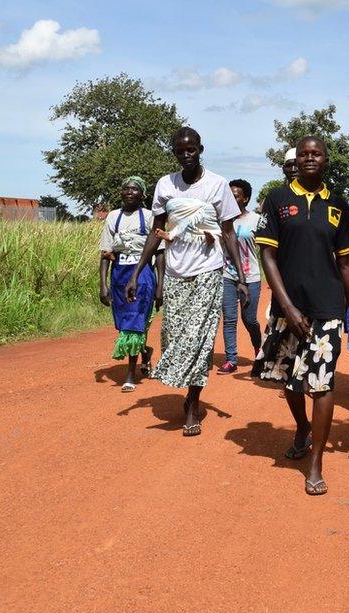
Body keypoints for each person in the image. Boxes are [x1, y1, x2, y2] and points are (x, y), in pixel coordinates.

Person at [125, 126, 250, 437]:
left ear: (200, 149)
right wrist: (138, 271)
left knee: (200, 336)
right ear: (175, 153)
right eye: (180, 151)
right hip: (175, 272)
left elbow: (229, 233)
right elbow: (157, 232)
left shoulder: (217, 184)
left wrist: (242, 277)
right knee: (173, 336)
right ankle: (185, 391)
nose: (186, 155)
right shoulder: (166, 185)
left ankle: (193, 403)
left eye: (191, 149)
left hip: (209, 269)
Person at [253, 135, 349, 496]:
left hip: (328, 307)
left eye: (316, 154)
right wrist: (287, 306)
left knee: (322, 382)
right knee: (288, 377)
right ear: (295, 161)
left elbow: (346, 261)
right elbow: (268, 256)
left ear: (326, 160)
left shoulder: (338, 204)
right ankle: (301, 427)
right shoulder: (279, 200)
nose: (309, 158)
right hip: (288, 305)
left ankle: (315, 462)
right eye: (303, 154)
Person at [99, 176, 164, 392]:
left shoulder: (149, 216)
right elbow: (106, 253)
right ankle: (145, 352)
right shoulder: (113, 217)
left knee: (134, 322)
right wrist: (103, 285)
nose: (129, 192)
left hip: (143, 274)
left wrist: (160, 286)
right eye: (125, 188)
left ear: (142, 194)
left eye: (134, 189)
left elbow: (160, 254)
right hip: (119, 275)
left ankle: (130, 375)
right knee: (125, 322)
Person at [217, 179, 262, 374]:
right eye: (229, 195)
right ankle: (231, 359)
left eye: (235, 196)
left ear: (246, 198)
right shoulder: (222, 220)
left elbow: (266, 249)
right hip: (227, 275)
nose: (231, 199)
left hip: (251, 276)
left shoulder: (256, 220)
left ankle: (259, 350)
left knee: (249, 319)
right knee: (229, 318)